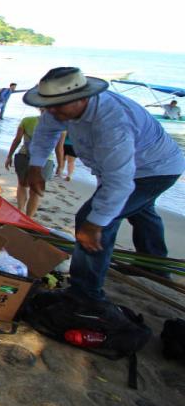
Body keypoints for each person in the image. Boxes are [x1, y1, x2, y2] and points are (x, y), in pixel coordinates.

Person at [25, 67, 185, 303]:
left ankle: (85, 292)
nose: (50, 111)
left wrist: (95, 224)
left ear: (81, 98)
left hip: (154, 170)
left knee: (93, 219)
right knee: (142, 212)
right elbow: (45, 132)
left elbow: (119, 181)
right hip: (123, 170)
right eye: (48, 104)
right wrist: (36, 165)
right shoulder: (58, 106)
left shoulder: (113, 123)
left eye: (57, 105)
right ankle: (155, 267)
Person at [5, 112, 64, 217]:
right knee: (36, 191)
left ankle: (20, 211)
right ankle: (29, 218)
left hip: (24, 156)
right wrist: (60, 165)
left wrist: (9, 156)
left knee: (22, 185)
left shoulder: (27, 120)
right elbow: (59, 148)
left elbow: (17, 140)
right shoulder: (61, 125)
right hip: (46, 161)